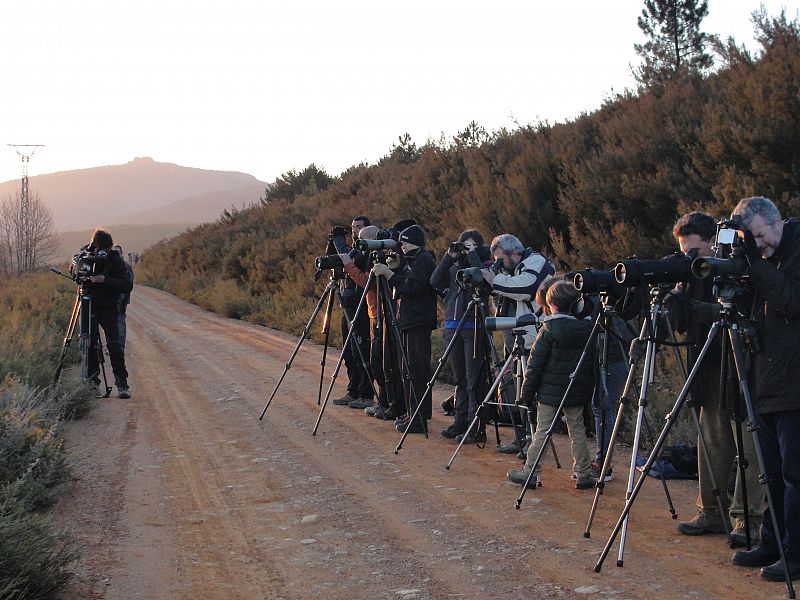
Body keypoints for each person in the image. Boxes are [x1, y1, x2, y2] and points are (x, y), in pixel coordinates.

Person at [669, 212, 764, 547]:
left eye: (695, 250)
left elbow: (739, 312)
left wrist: (693, 307)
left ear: (713, 241)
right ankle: (711, 510)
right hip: (707, 362)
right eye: (684, 252)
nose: (690, 258)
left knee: (747, 443)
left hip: (742, 362)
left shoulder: (738, 264)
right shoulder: (692, 271)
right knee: (711, 439)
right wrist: (676, 305)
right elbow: (684, 325)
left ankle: (747, 517)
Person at [729, 197, 800, 582]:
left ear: (777, 221)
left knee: (795, 475)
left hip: (795, 383)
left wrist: (755, 266)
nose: (759, 246)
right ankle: (773, 542)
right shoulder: (763, 257)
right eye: (751, 241)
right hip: (768, 379)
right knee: (771, 472)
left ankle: (796, 554)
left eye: (760, 236)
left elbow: (791, 300)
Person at [506, 280, 596, 489]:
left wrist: (526, 395)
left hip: (549, 392)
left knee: (543, 431)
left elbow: (535, 366)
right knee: (577, 430)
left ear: (551, 305)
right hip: (576, 390)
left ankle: (530, 472)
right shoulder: (587, 328)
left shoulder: (547, 330)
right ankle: (583, 473)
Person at [372, 224, 438, 433]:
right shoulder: (413, 260)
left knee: (416, 370)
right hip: (410, 320)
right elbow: (405, 284)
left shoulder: (424, 260)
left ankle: (418, 419)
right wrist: (396, 268)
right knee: (407, 370)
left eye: (405, 243)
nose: (402, 246)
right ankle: (412, 414)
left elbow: (413, 287)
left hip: (419, 321)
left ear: (414, 242)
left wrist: (390, 275)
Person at [429, 229, 491, 441]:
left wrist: (474, 256)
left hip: (474, 326)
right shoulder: (454, 266)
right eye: (464, 244)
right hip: (452, 326)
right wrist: (448, 257)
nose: (466, 249)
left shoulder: (486, 265)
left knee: (474, 379)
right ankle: (460, 421)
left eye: (471, 245)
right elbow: (435, 281)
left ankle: (476, 427)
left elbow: (483, 282)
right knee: (460, 379)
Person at [332, 217, 375, 410]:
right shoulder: (353, 251)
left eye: (359, 227)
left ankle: (366, 393)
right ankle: (354, 391)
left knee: (361, 352)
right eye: (353, 227)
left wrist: (340, 245)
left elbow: (359, 274)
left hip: (362, 307)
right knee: (348, 352)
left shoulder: (368, 253)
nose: (355, 230)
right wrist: (334, 245)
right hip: (347, 305)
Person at [85, 229, 133, 399]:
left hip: (109, 308)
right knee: (89, 345)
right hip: (89, 305)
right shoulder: (86, 255)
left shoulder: (115, 260)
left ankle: (122, 384)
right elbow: (76, 272)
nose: (100, 252)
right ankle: (91, 384)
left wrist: (105, 280)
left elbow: (126, 285)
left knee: (114, 345)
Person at [113, 244, 134, 354]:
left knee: (120, 322)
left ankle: (119, 348)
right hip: (113, 299)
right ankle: (115, 347)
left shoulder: (125, 266)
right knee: (115, 324)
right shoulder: (116, 265)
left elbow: (129, 285)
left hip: (122, 299)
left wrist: (123, 299)